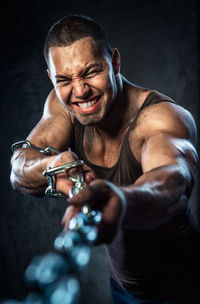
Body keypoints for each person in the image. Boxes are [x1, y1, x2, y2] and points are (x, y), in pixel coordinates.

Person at [10, 15, 200, 303]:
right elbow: (19, 168)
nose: (80, 90)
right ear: (52, 78)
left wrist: (122, 200)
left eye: (90, 72)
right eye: (64, 80)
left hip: (184, 287)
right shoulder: (63, 107)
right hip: (122, 289)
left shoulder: (160, 118)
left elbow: (172, 180)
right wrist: (51, 166)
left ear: (114, 62)